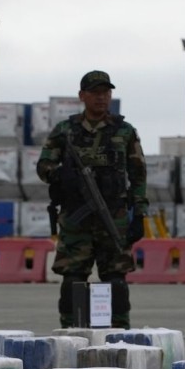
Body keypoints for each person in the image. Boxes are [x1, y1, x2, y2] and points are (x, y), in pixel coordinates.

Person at [36, 70, 147, 329]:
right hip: (77, 221)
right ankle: (71, 333)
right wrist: (63, 176)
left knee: (116, 282)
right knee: (72, 281)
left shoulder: (125, 131)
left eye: (106, 93)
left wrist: (140, 214)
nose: (101, 98)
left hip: (114, 217)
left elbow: (138, 175)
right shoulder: (65, 131)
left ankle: (120, 335)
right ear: (82, 96)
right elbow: (43, 166)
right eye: (96, 93)